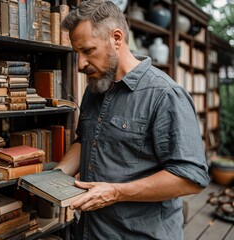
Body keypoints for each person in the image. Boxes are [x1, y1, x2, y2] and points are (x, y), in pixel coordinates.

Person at [54, 0, 210, 239]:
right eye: (77, 53)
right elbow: (85, 140)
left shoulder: (164, 94)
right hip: (91, 231)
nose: (80, 64)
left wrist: (116, 192)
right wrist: (56, 176)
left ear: (116, 38)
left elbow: (191, 178)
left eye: (88, 51)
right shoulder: (95, 88)